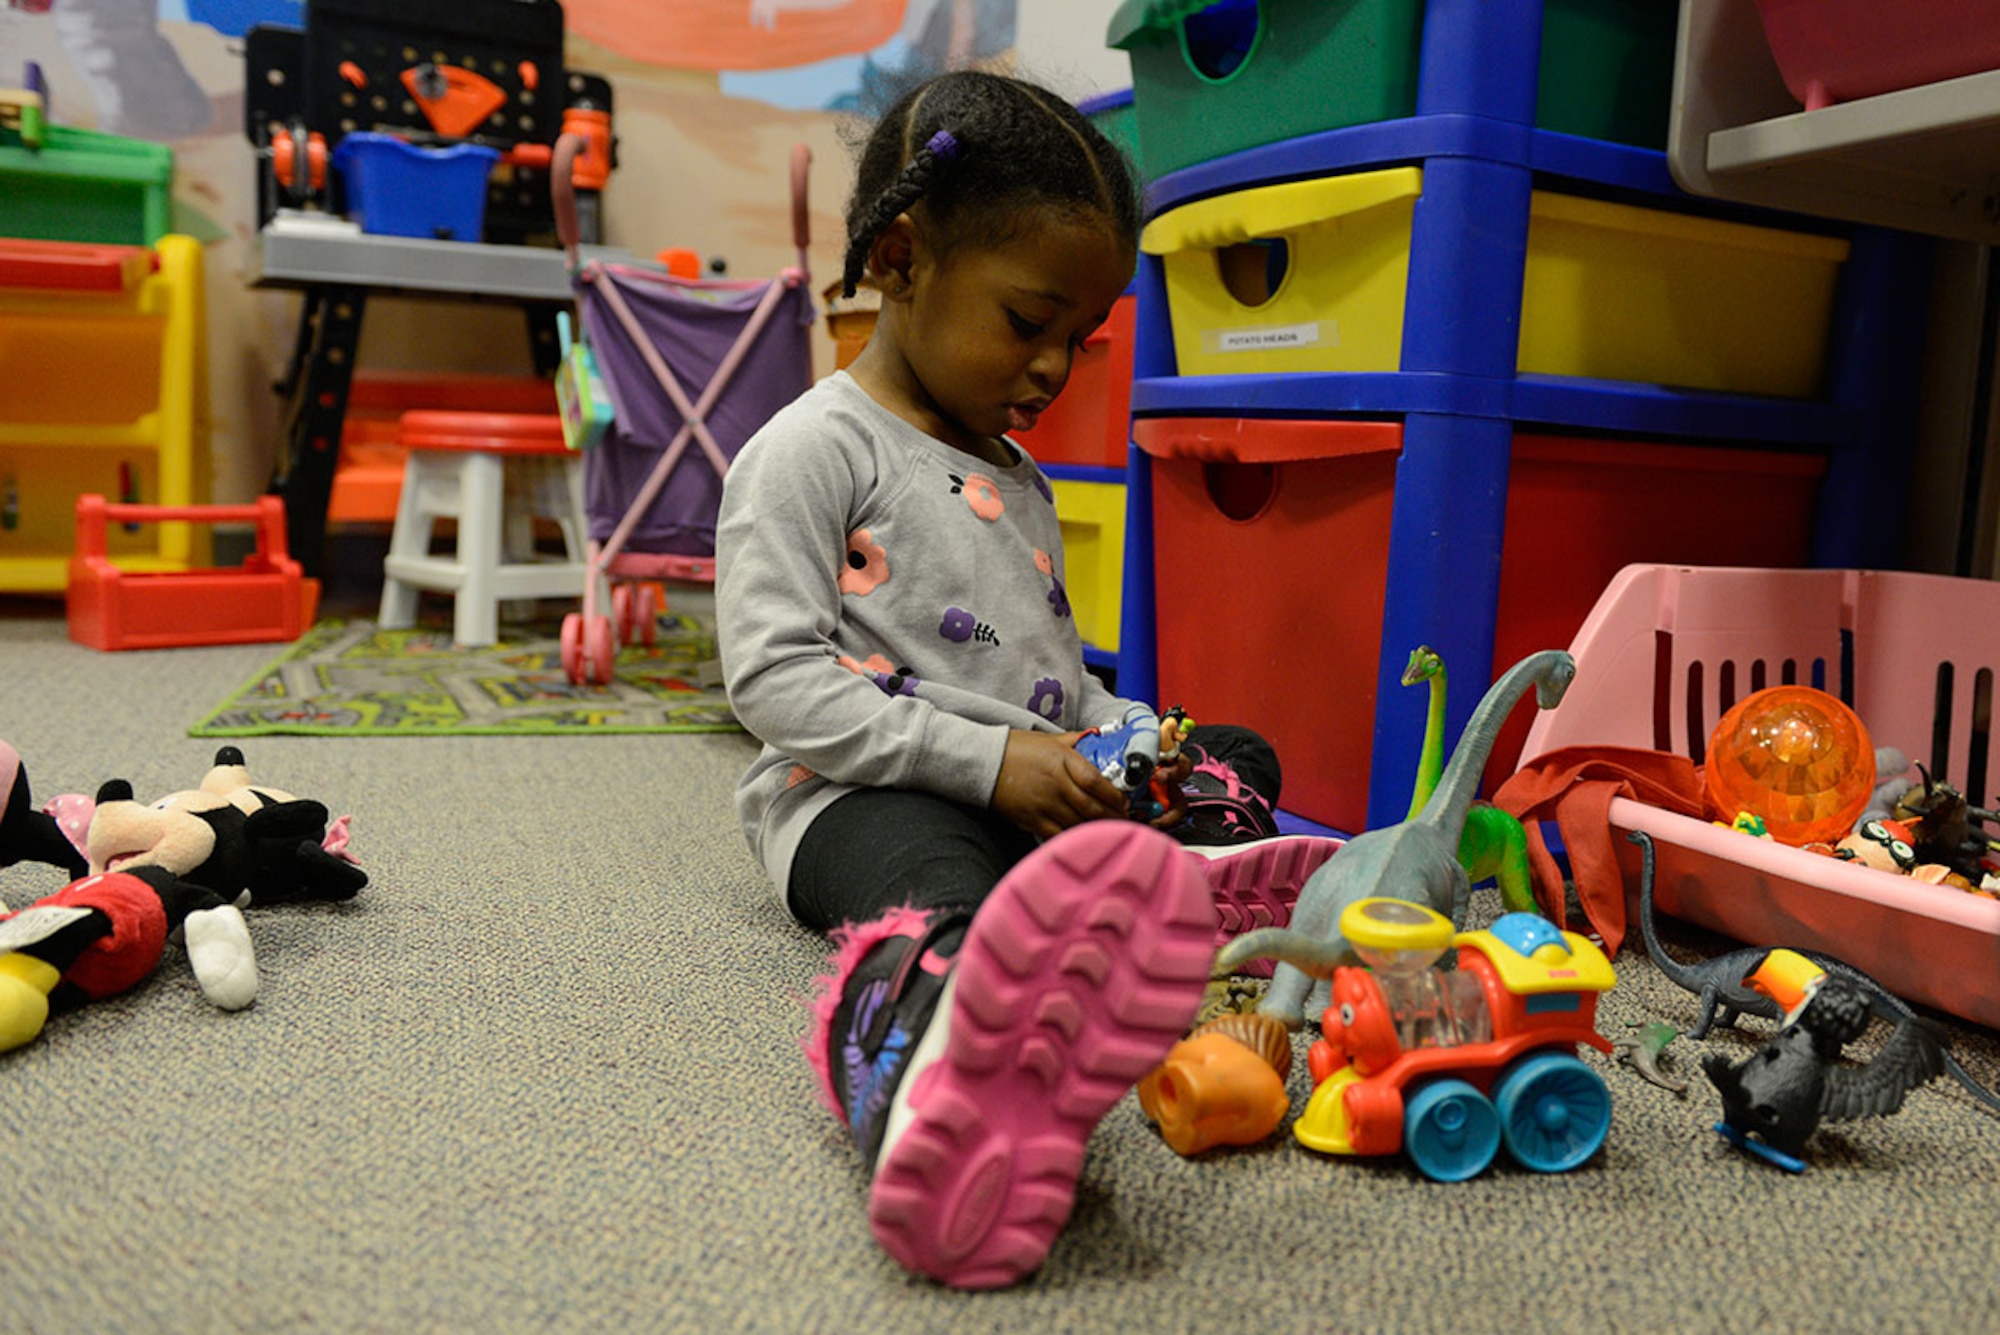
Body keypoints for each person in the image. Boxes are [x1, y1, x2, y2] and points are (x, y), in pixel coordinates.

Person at [714, 69, 1337, 1290]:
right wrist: (985, 762)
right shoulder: (809, 451)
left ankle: (1193, 898)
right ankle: (930, 1066)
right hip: (859, 797)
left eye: (1079, 339)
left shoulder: (1018, 477)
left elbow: (1049, 681)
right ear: (899, 258)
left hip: (1039, 788)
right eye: (1027, 321)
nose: (1053, 369)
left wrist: (1130, 735)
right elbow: (776, 682)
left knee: (1228, 753)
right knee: (927, 893)